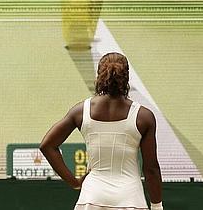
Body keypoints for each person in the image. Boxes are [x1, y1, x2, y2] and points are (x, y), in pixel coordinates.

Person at [40, 52, 163, 210]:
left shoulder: (80, 111)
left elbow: (47, 146)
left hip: (90, 198)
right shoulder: (144, 117)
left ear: (100, 75)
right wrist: (157, 206)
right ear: (126, 78)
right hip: (130, 199)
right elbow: (151, 169)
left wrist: (75, 183)